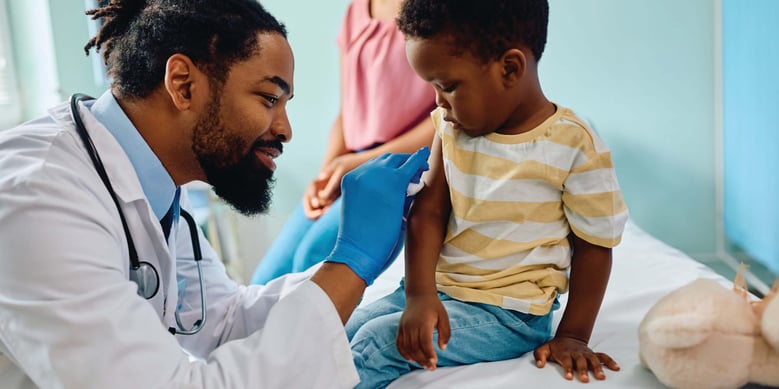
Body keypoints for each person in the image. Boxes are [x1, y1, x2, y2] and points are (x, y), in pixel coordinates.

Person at [0, 0, 429, 387]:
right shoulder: (39, 199)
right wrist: (351, 262)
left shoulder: (151, 181)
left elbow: (224, 322)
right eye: (268, 98)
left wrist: (360, 272)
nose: (285, 129)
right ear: (183, 84)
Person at [344, 1, 630, 388]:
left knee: (378, 345)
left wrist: (573, 335)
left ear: (509, 69)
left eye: (448, 86)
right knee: (344, 329)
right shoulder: (452, 130)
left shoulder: (573, 144)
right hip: (441, 291)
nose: (438, 103)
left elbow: (594, 245)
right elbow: (429, 213)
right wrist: (419, 295)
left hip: (508, 314)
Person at [249, 0, 436, 284]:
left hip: (404, 164)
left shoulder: (439, 11)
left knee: (311, 261)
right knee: (265, 278)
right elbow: (348, 110)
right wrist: (328, 174)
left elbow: (444, 119)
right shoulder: (357, 11)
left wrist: (358, 163)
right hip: (354, 162)